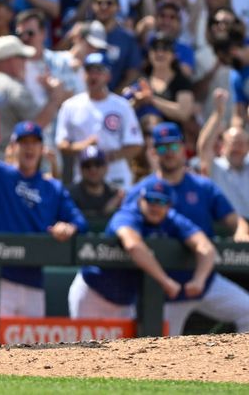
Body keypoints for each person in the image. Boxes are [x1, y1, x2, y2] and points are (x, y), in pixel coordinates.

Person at [0, 92, 88, 317]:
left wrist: (70, 227)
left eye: (34, 143)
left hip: (33, 279)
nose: (29, 148)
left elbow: (80, 221)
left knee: (31, 350)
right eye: (23, 142)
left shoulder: (52, 188)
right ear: (13, 147)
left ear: (41, 149)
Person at [125, 122, 249, 335]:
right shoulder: (142, 191)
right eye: (162, 148)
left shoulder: (202, 186)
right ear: (153, 152)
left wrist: (242, 231)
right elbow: (126, 227)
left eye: (173, 147)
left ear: (183, 148)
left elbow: (234, 220)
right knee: (158, 353)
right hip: (163, 288)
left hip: (205, 281)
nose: (169, 153)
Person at [68, 180, 215, 322]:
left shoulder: (172, 220)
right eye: (150, 199)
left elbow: (205, 246)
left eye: (162, 201)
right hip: (93, 293)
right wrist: (165, 281)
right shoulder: (127, 214)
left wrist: (199, 279)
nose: (155, 206)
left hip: (125, 302)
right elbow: (133, 245)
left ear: (169, 205)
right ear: (140, 200)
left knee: (123, 348)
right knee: (84, 346)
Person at [0, 34, 65, 160]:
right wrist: (55, 97)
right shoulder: (14, 88)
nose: (25, 62)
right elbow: (36, 126)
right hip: (5, 163)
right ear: (10, 60)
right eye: (22, 58)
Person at [56, 53, 144, 189]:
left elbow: (136, 144)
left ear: (108, 76)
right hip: (83, 175)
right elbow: (61, 144)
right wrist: (84, 146)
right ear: (83, 75)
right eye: (89, 71)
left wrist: (109, 157)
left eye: (99, 71)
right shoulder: (70, 106)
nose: (93, 76)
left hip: (116, 175)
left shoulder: (121, 106)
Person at [198, 89, 249, 216]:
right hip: (223, 230)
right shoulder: (216, 167)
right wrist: (218, 113)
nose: (237, 149)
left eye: (241, 144)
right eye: (233, 143)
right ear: (223, 146)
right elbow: (204, 147)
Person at [68, 145, 124, 222]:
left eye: (98, 164)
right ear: (80, 169)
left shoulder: (115, 194)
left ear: (105, 167)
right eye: (87, 165)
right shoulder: (70, 195)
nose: (93, 169)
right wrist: (105, 212)